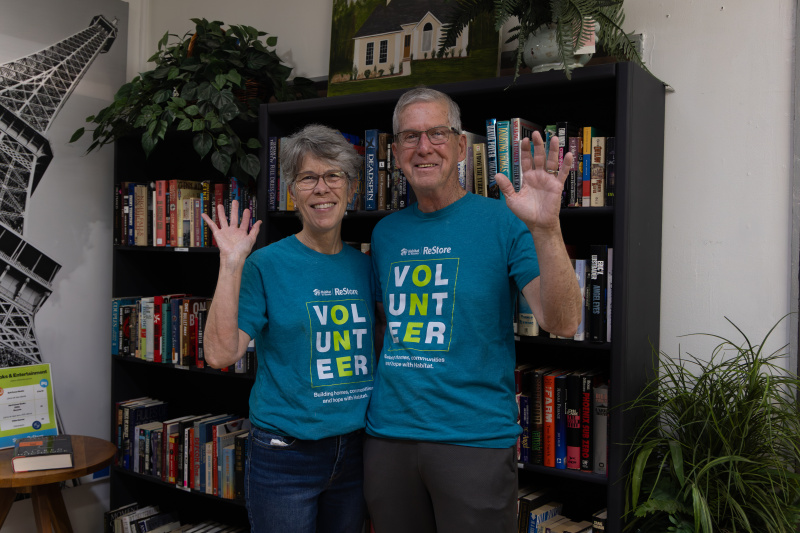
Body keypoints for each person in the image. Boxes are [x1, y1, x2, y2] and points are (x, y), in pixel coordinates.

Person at [364, 87, 583, 532]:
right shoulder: (385, 233)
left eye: (437, 133)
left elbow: (563, 322)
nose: (423, 147)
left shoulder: (504, 221)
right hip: (388, 439)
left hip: (474, 442)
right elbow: (383, 327)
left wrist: (547, 228)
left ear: (461, 146)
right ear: (396, 150)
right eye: (409, 136)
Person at [201, 123, 376, 533]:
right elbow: (221, 354)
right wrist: (231, 264)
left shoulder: (367, 267)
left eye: (333, 176)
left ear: (350, 188)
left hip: (357, 450)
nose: (322, 188)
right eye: (307, 178)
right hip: (285, 456)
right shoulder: (266, 265)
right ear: (292, 192)